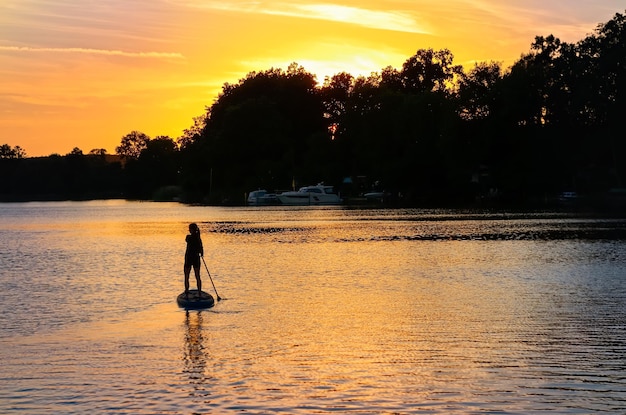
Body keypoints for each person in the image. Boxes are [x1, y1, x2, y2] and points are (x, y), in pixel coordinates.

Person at [184, 223, 204, 297]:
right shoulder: (198, 238)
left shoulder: (188, 237)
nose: (189, 230)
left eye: (189, 229)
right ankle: (199, 292)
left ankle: (186, 291)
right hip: (196, 258)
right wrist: (201, 253)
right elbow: (201, 250)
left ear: (191, 230)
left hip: (189, 258)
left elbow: (187, 240)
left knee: (186, 275)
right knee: (197, 276)